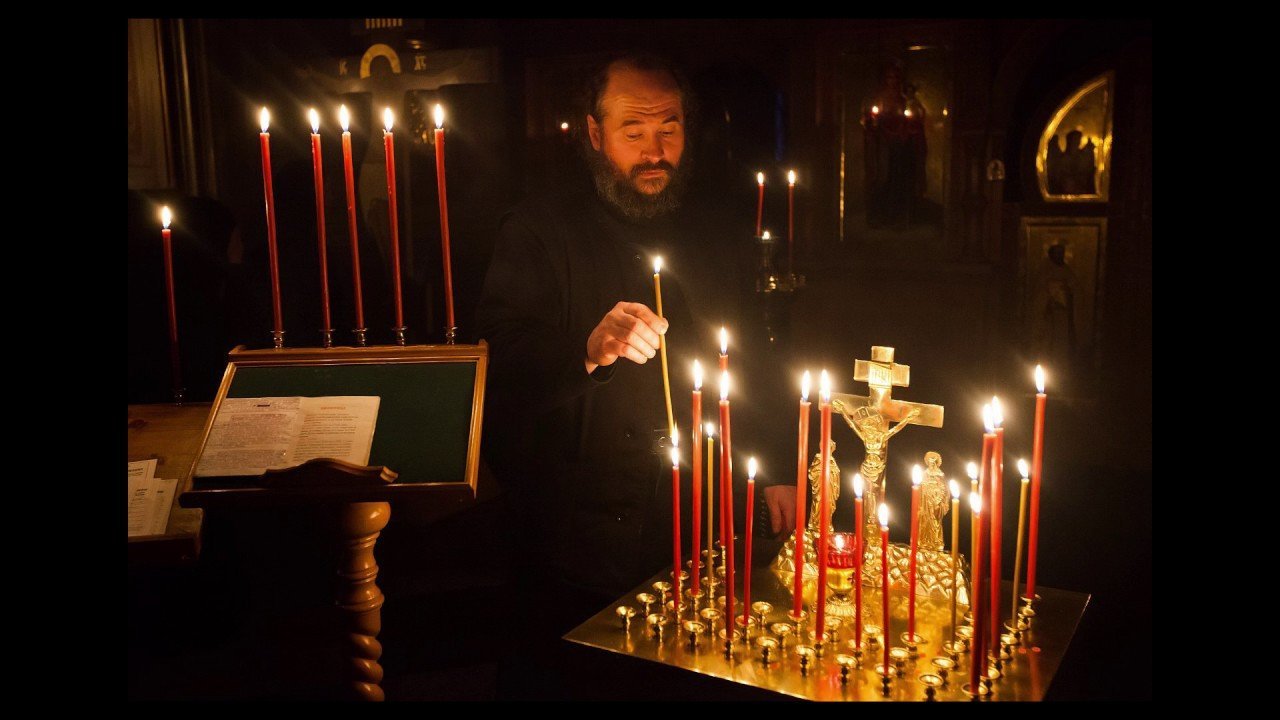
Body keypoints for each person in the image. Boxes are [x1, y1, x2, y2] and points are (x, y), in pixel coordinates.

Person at [475, 53, 795, 697]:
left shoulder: (716, 230)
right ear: (594, 134)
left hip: (704, 517)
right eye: (634, 131)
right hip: (577, 528)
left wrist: (782, 464)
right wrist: (587, 351)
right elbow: (500, 360)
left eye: (669, 129)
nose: (655, 151)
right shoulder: (538, 230)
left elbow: (754, 357)